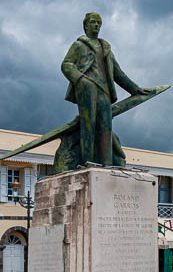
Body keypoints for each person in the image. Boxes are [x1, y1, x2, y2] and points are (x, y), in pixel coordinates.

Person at [61, 12, 149, 166]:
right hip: (87, 88)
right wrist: (81, 80)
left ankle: (107, 163)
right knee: (88, 125)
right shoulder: (78, 45)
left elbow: (118, 73)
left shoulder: (106, 48)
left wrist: (135, 89)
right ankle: (87, 161)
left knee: (106, 127)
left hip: (104, 91)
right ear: (86, 25)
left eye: (98, 23)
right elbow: (66, 65)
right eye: (93, 22)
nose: (96, 25)